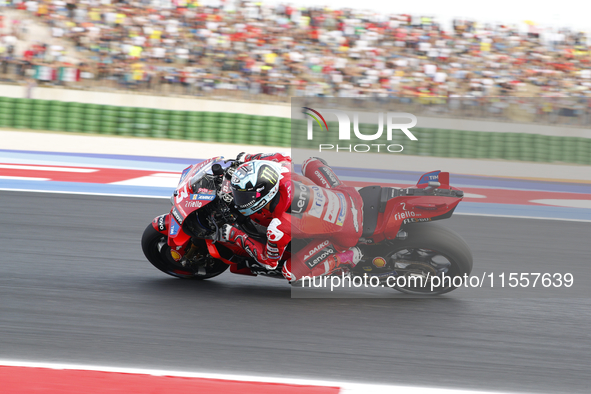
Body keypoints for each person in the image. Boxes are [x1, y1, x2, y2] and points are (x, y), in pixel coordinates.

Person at [219, 153, 363, 282]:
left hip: (347, 232)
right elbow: (280, 157)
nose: (238, 200)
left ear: (263, 195)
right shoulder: (282, 167)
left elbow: (269, 262)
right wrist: (246, 158)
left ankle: (344, 258)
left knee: (290, 273)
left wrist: (236, 235)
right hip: (347, 195)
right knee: (310, 161)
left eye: (243, 196)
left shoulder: (279, 226)